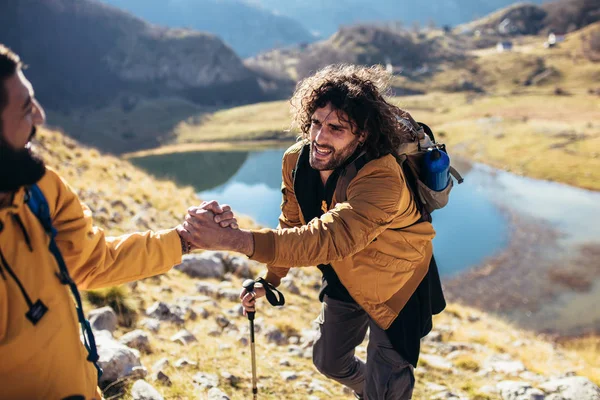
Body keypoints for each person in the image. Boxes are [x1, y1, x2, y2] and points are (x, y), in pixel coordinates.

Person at [180, 64, 445, 400]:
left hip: (398, 281)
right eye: (316, 123)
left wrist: (234, 240)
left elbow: (329, 238)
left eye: (336, 128)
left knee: (388, 383)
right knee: (329, 361)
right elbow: (292, 223)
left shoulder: (383, 177)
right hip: (344, 273)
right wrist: (271, 280)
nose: (319, 137)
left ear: (362, 135)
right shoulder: (297, 160)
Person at [0, 44, 237, 400]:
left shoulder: (38, 189)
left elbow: (95, 261)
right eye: (24, 109)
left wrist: (186, 239)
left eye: (33, 100)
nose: (40, 117)